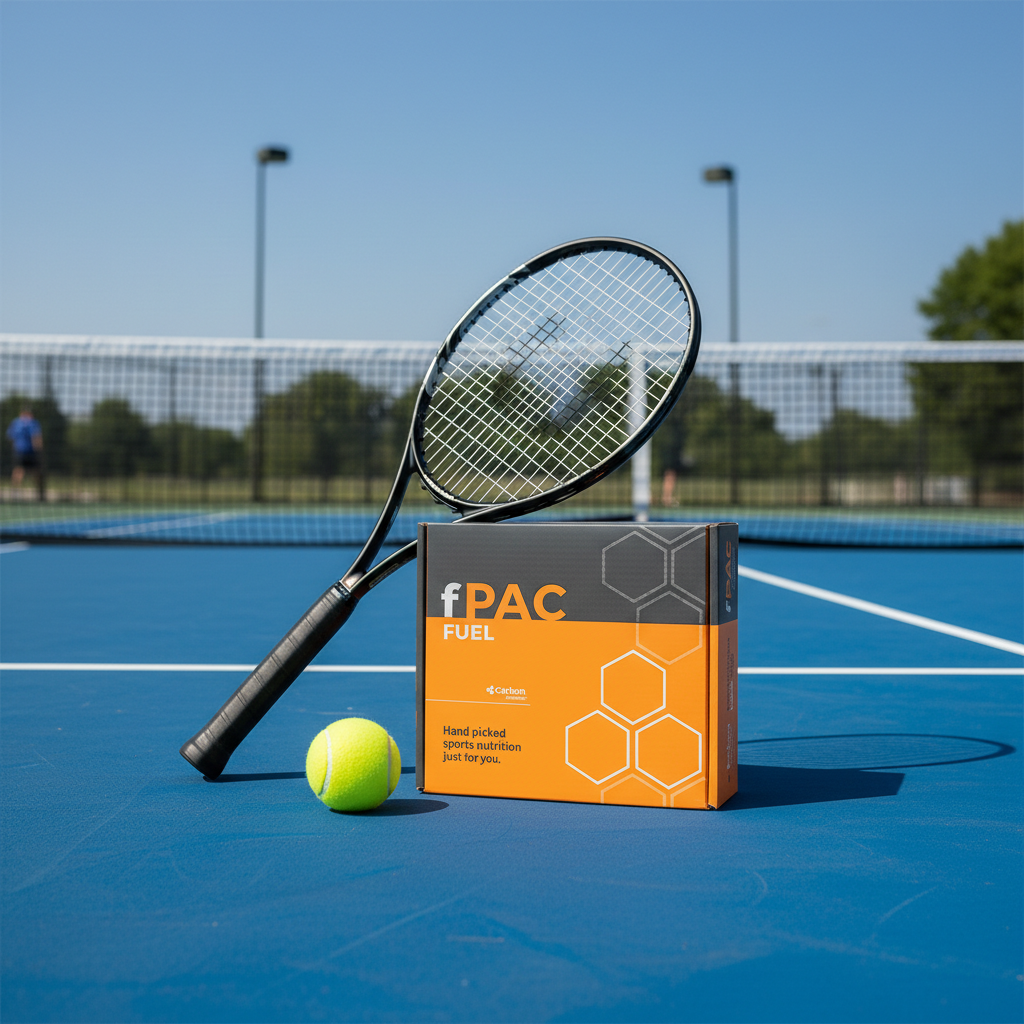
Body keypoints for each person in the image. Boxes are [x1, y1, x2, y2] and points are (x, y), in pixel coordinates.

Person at [7, 406, 44, 498]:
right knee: (36, 472)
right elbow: (36, 438)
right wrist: (40, 451)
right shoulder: (33, 423)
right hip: (31, 452)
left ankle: (14, 494)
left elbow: (10, 437)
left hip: (19, 451)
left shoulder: (15, 422)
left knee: (18, 471)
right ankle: (40, 495)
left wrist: (15, 446)